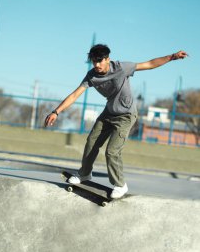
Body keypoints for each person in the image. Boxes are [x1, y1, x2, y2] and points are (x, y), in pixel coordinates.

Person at [44, 44, 188, 199]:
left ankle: (120, 185)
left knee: (112, 151)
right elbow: (75, 94)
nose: (97, 65)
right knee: (92, 142)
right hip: (109, 112)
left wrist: (172, 57)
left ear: (108, 59)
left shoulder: (121, 67)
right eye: (94, 62)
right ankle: (85, 173)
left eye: (100, 61)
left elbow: (149, 64)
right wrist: (56, 111)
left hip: (126, 115)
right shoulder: (91, 76)